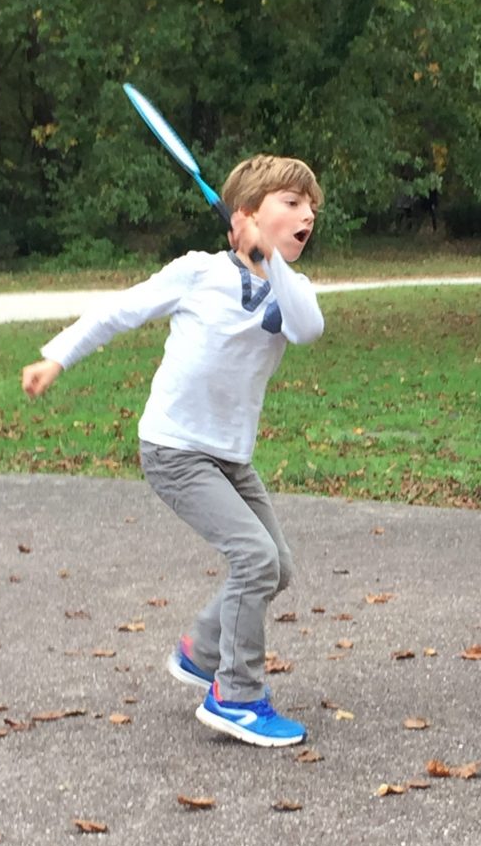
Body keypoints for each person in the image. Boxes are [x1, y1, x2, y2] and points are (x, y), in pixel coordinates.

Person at [22, 154, 324, 748]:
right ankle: (236, 697)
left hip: (230, 458)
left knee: (277, 568)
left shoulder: (293, 289)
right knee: (255, 559)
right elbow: (118, 312)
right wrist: (57, 357)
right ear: (245, 213)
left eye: (311, 207)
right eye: (291, 203)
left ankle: (201, 651)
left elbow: (307, 328)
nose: (307, 215)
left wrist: (267, 256)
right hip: (175, 449)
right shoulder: (198, 272)